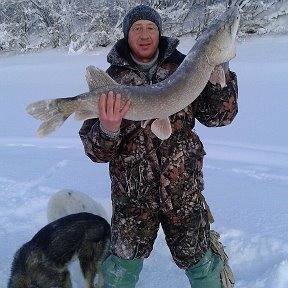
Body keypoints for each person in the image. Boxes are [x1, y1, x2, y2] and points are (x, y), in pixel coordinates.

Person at [79, 4, 238, 288]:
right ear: (127, 35)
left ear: (159, 32)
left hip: (183, 191)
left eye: (150, 27)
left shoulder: (187, 67)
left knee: (202, 262)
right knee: (122, 267)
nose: (144, 34)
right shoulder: (111, 81)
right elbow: (95, 152)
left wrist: (221, 74)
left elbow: (219, 117)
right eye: (137, 28)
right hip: (132, 198)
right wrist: (108, 128)